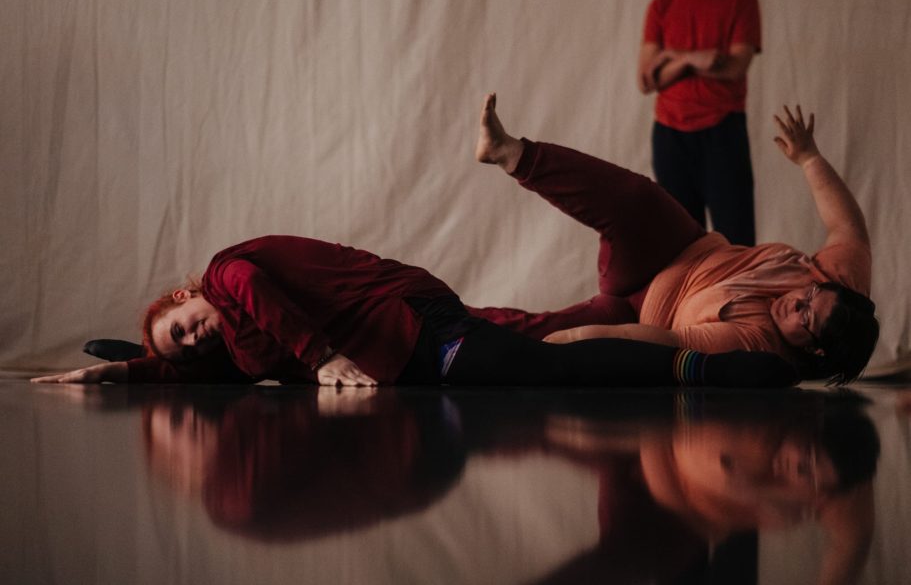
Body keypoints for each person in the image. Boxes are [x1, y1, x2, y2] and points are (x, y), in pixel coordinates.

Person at [469, 93, 877, 383]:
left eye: (806, 317)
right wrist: (809, 158)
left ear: (815, 349)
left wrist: (574, 339)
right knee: (638, 198)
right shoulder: (837, 282)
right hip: (678, 247)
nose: (796, 301)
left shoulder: (756, 346)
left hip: (637, 319)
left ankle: (439, 326)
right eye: (809, 294)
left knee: (534, 336)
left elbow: (668, 341)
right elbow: (848, 228)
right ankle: (508, 151)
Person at [30, 234, 796, 387]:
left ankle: (708, 366)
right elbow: (220, 371)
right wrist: (131, 372)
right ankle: (628, 314)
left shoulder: (227, 274)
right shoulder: (239, 344)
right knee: (533, 344)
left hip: (413, 324)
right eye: (187, 345)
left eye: (182, 327)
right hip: (410, 345)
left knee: (546, 364)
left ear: (181, 295)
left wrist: (326, 359)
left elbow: (256, 294)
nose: (195, 336)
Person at [638, 0, 761, 245]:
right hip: (670, 133)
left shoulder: (741, 0)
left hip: (723, 130)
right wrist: (691, 58)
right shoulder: (662, 4)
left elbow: (735, 68)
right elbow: (647, 80)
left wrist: (671, 59)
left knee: (736, 240)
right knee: (679, 241)